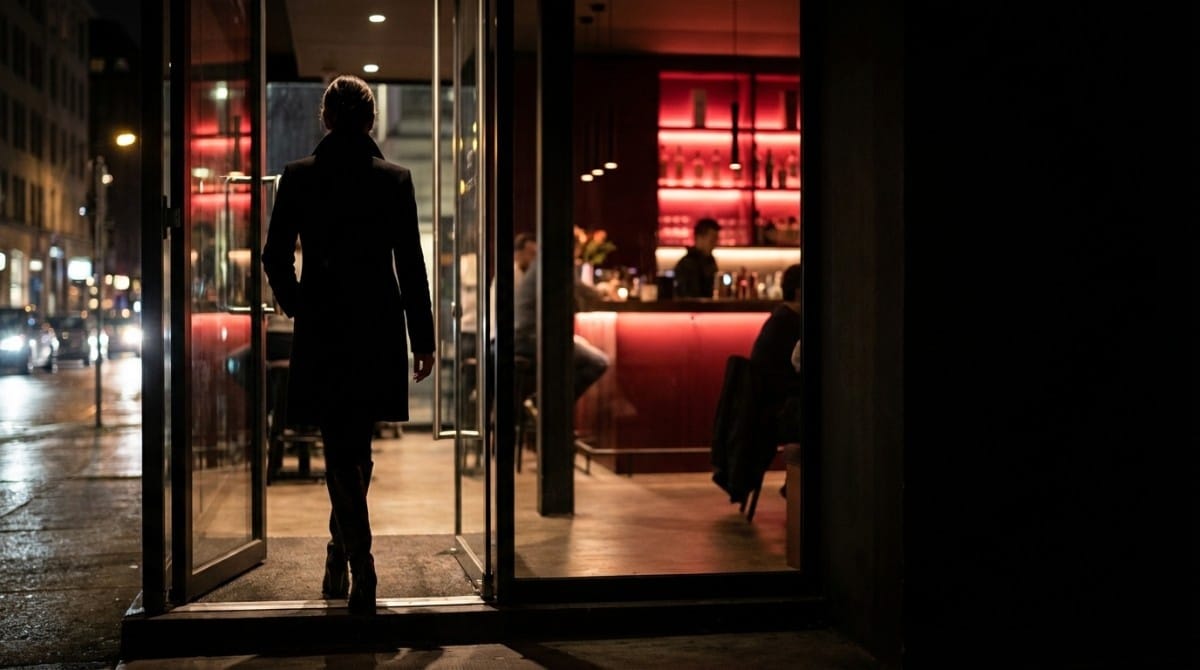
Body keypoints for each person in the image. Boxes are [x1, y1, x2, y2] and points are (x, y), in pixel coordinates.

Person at [262, 74, 435, 615]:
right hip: (378, 330)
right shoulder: (395, 179)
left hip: (324, 329)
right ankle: (358, 565)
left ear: (327, 118)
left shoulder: (298, 177)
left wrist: (299, 304)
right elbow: (410, 264)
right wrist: (422, 338)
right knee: (355, 448)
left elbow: (274, 256)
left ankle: (345, 554)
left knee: (345, 448)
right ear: (372, 119)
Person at [673, 217, 721, 298]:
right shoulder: (687, 264)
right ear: (699, 238)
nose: (715, 244)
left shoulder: (709, 261)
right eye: (712, 240)